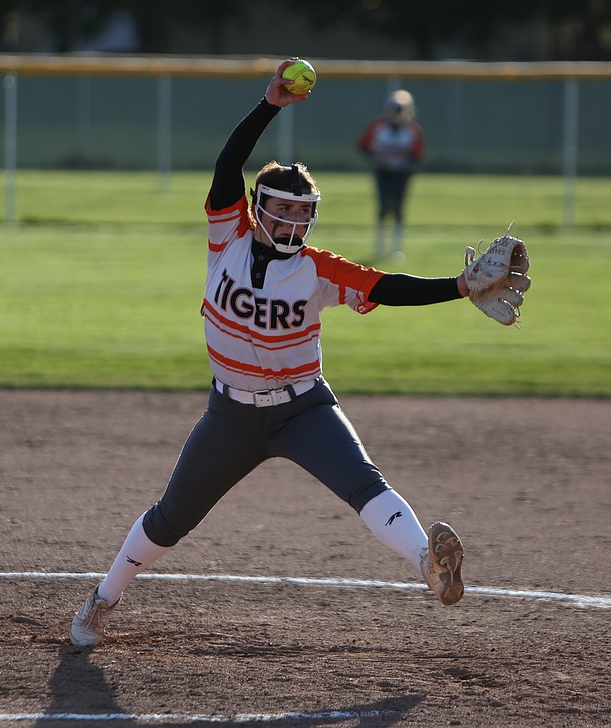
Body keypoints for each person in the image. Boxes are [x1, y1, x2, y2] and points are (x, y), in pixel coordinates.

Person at [71, 59, 470, 648]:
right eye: (283, 210)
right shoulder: (226, 233)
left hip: (303, 408)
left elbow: (385, 286)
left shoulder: (316, 268)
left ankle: (429, 567)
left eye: (303, 213)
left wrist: (456, 288)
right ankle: (101, 600)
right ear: (258, 208)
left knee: (364, 483)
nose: (294, 222)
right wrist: (270, 105)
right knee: (171, 518)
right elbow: (227, 164)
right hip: (230, 416)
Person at [357, 89, 425, 260]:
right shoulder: (378, 126)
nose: (397, 112)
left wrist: (405, 163)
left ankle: (396, 248)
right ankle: (380, 246)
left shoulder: (412, 130)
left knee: (399, 208)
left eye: (401, 109)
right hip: (384, 172)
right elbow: (363, 145)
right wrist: (376, 158)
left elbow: (418, 154)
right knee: (383, 207)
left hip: (402, 174)